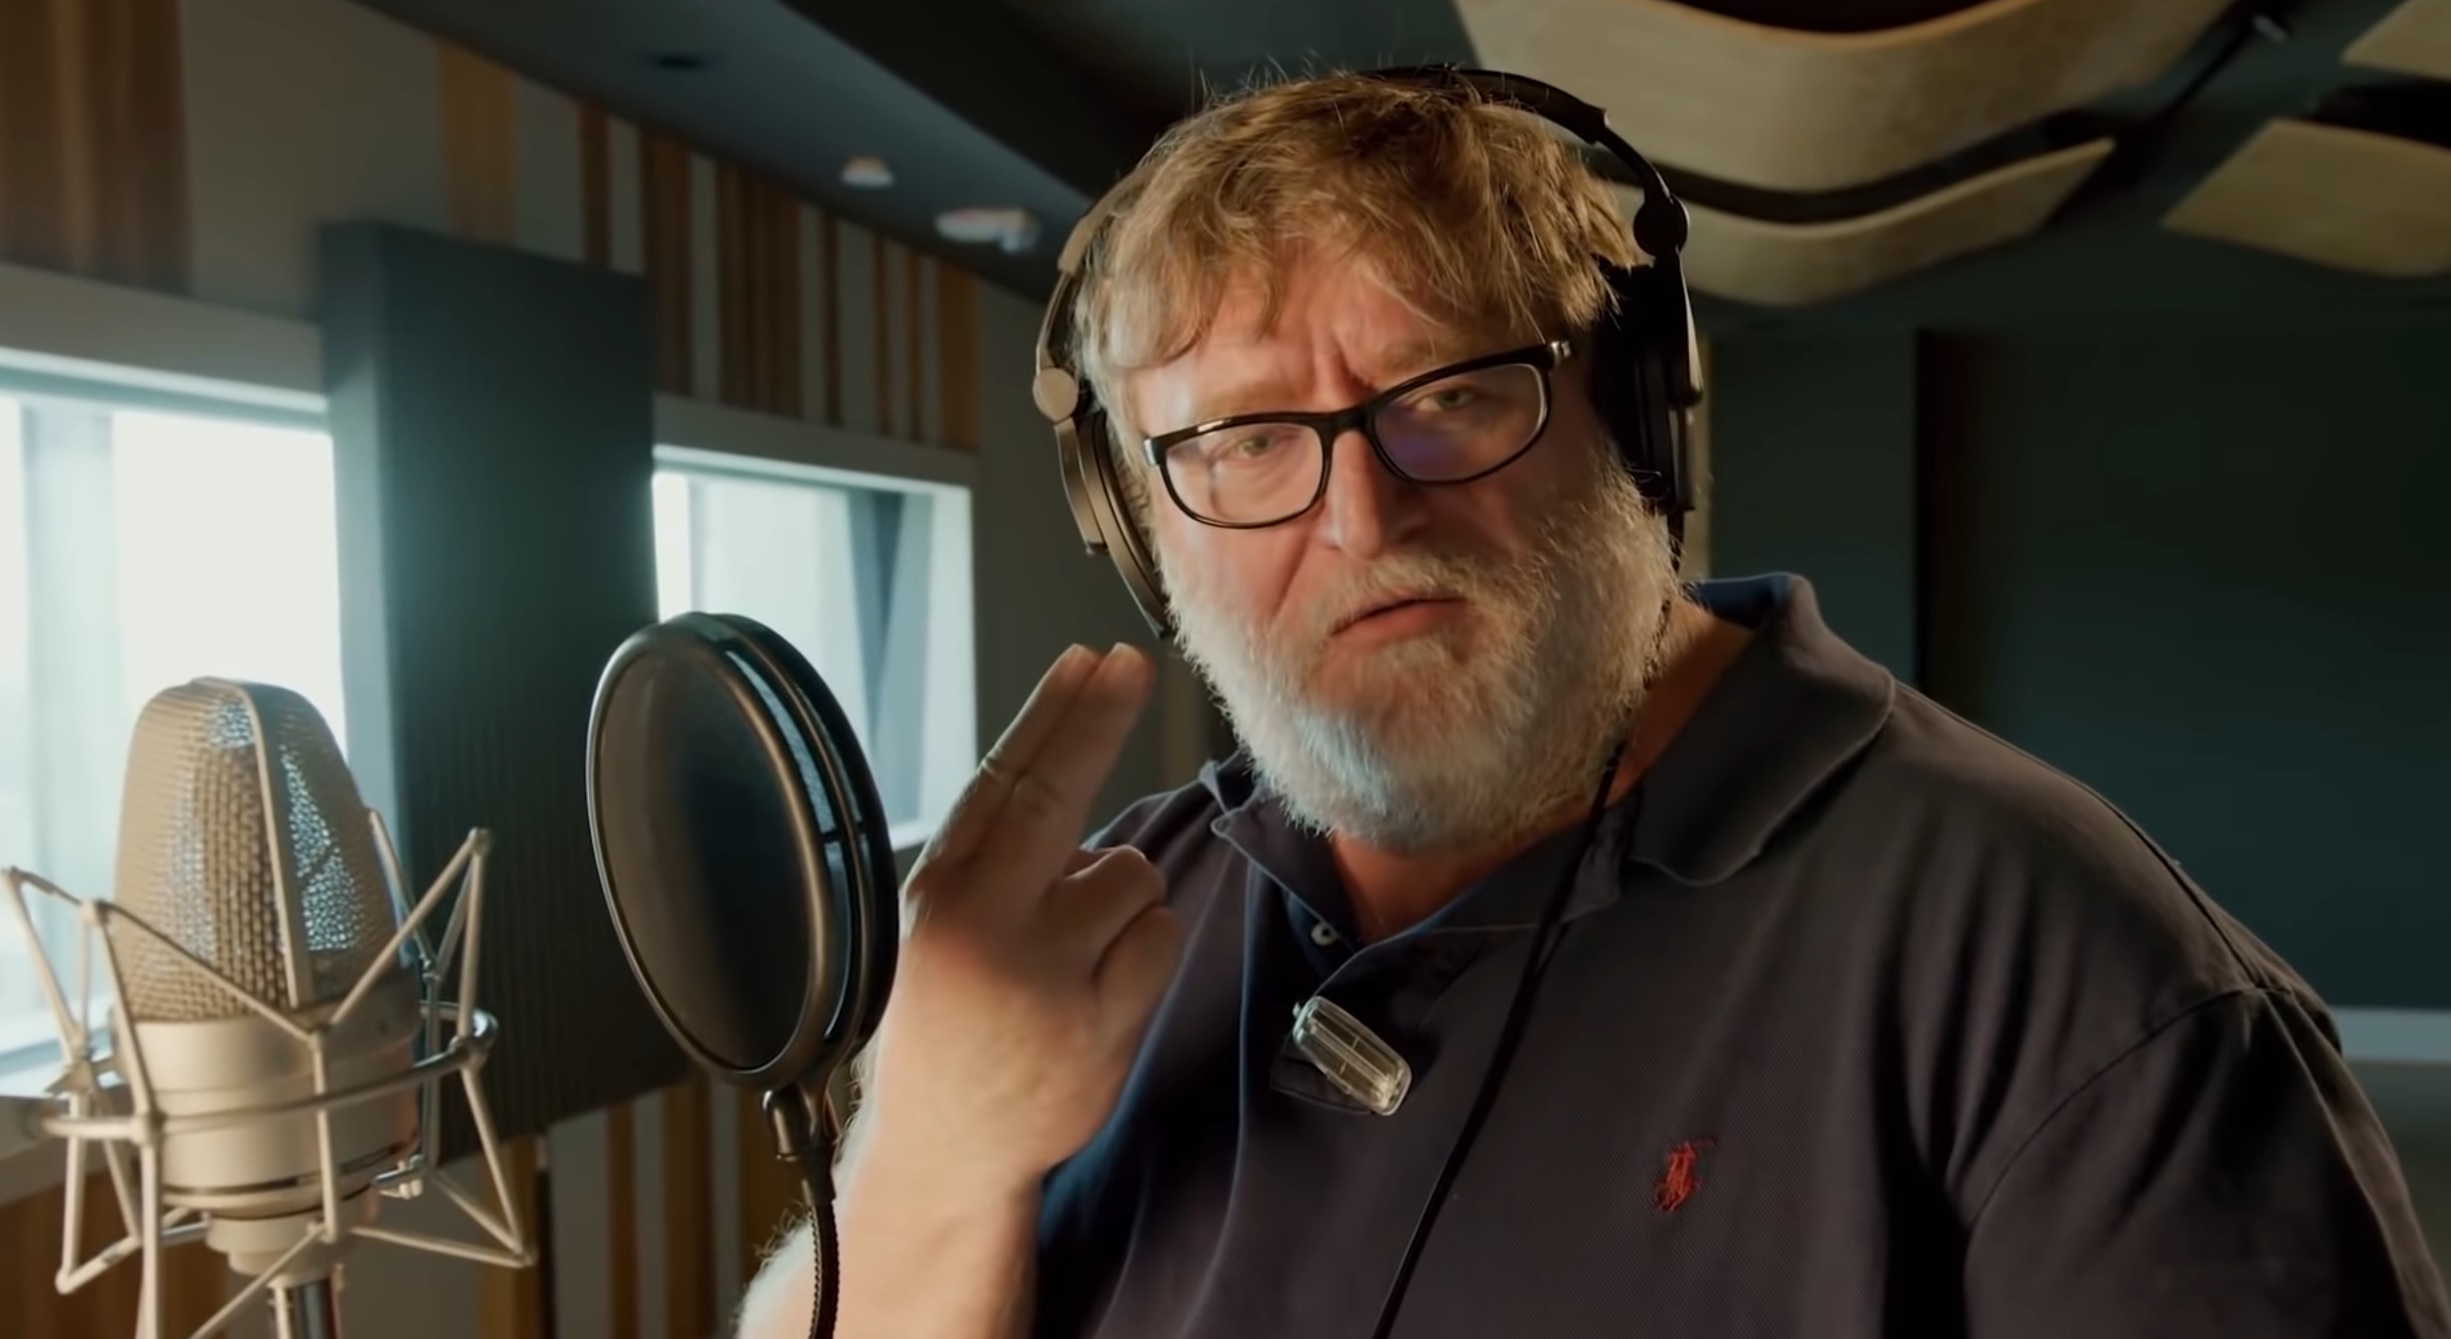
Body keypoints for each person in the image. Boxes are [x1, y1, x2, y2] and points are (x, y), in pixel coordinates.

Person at [740, 70, 2451, 1338]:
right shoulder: (1101, 922)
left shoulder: (2075, 983)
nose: (1365, 517)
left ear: (1634, 420)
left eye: (1452, 394)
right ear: (1145, 527)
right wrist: (930, 1153)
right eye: (1248, 440)